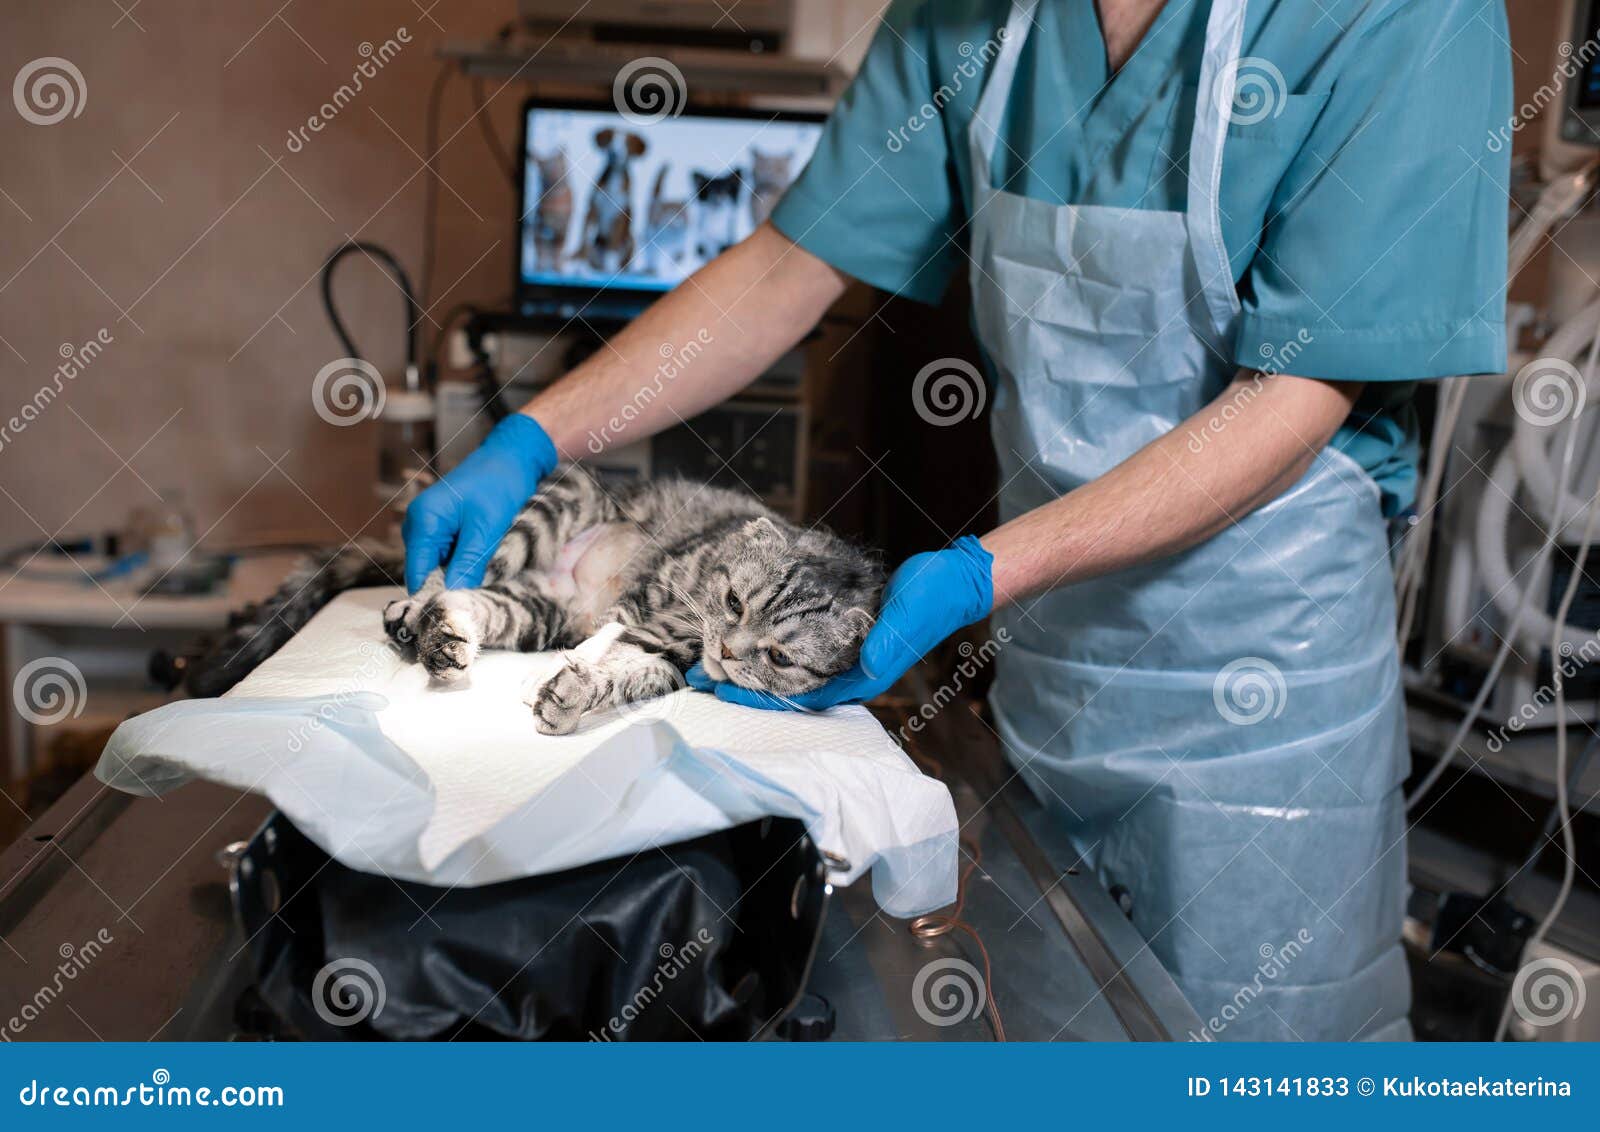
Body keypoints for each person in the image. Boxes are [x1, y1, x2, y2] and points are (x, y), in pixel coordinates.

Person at [405, 0, 1508, 1040]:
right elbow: (792, 265)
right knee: (1057, 1033)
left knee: (1264, 1061)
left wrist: (986, 571)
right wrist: (538, 435)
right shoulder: (969, 16)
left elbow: (1294, 395)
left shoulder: (1399, 18)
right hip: (1052, 670)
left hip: (1265, 706)